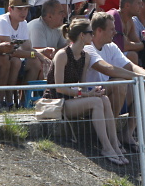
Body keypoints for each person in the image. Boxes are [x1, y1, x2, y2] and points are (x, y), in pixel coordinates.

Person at [51, 18, 127, 164]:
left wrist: (93, 92)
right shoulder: (62, 55)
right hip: (58, 102)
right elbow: (59, 88)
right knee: (96, 102)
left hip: (73, 101)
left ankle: (115, 145)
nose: (93, 35)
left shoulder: (85, 56)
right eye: (90, 33)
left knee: (103, 99)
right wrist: (85, 94)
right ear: (82, 35)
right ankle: (106, 147)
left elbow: (83, 85)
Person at [83, 11, 145, 150]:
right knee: (119, 85)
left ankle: (127, 134)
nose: (115, 32)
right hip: (90, 96)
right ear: (99, 31)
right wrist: (140, 77)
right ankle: (111, 135)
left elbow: (131, 66)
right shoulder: (87, 47)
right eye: (112, 29)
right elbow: (108, 69)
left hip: (104, 95)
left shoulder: (111, 46)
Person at [0, 0, 54, 103]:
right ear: (10, 9)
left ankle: (24, 101)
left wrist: (42, 51)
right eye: (20, 9)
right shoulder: (2, 21)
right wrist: (37, 54)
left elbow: (27, 48)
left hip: (11, 59)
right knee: (16, 61)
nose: (24, 12)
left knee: (34, 63)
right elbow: (9, 51)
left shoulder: (23, 23)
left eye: (26, 9)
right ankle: (8, 101)